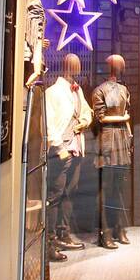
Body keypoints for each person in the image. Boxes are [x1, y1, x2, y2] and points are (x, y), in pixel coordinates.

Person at [45, 52, 93, 261]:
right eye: (74, 66)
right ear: (67, 67)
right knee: (54, 195)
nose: (77, 69)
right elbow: (49, 122)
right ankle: (50, 240)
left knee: (69, 192)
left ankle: (63, 233)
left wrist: (85, 121)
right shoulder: (52, 92)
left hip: (76, 146)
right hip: (61, 150)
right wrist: (58, 148)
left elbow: (86, 111)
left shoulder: (78, 89)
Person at [92, 54, 133, 248]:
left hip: (122, 141)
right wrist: (123, 119)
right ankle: (105, 231)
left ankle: (119, 227)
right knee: (105, 190)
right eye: (118, 66)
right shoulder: (99, 91)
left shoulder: (124, 90)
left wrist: (129, 136)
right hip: (107, 142)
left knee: (118, 189)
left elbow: (127, 116)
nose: (119, 69)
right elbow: (100, 118)